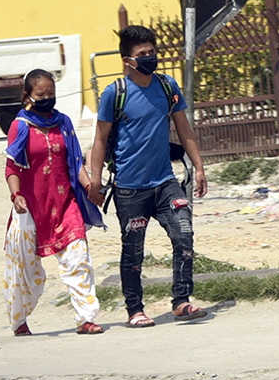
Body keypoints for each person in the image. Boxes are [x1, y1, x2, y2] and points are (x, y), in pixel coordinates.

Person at [85, 25, 210, 327]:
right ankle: (135, 310)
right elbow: (100, 140)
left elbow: (184, 129)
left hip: (165, 183)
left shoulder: (167, 87)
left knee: (184, 235)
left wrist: (199, 166)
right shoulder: (115, 94)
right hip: (130, 189)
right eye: (142, 54)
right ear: (127, 60)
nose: (149, 58)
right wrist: (95, 180)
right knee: (133, 251)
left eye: (152, 52)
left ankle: (181, 302)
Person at [4, 69, 105, 336]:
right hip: (31, 209)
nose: (47, 98)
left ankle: (86, 318)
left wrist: (88, 186)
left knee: (78, 258)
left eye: (51, 94)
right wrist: (17, 196)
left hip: (65, 205)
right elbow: (11, 168)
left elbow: (75, 162)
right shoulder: (21, 126)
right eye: (41, 94)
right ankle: (19, 318)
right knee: (25, 270)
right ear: (28, 96)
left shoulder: (64, 123)